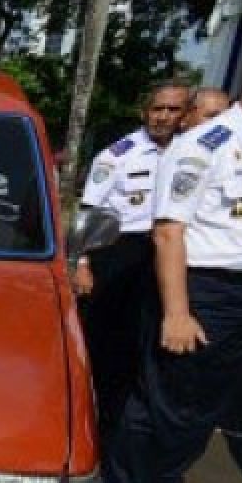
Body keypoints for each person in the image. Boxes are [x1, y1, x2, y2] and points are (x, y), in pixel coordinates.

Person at [101, 50, 242, 483]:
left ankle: (167, 478)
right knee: (163, 397)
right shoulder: (203, 146)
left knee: (212, 401)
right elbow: (169, 231)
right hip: (200, 288)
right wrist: (177, 311)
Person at [75, 79, 190, 436]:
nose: (164, 117)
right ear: (145, 113)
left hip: (170, 250)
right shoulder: (117, 156)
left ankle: (136, 415)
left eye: (173, 110)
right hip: (121, 251)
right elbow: (89, 212)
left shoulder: (190, 154)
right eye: (158, 109)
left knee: (153, 338)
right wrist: (82, 264)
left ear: (186, 115)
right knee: (107, 341)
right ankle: (96, 418)